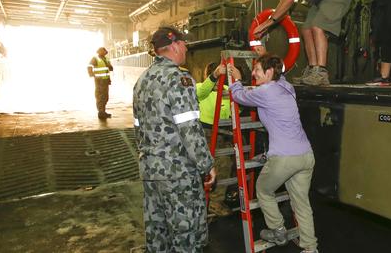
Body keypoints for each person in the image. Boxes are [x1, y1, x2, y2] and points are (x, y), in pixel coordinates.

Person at [133, 26, 216, 253]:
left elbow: (138, 128)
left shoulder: (142, 81)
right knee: (187, 232)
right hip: (177, 173)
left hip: (151, 171)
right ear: (176, 45)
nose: (186, 48)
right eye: (184, 44)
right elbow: (189, 128)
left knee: (158, 232)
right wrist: (206, 165)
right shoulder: (179, 79)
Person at [228, 54, 318, 253]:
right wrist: (264, 53)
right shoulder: (287, 87)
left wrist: (236, 80)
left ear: (269, 72)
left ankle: (278, 229)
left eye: (257, 70)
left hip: (284, 157)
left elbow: (238, 95)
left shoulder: (265, 91)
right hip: (306, 155)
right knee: (302, 203)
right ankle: (310, 248)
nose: (253, 73)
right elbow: (280, 75)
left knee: (263, 191)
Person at [254, 0, 353, 86]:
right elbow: (285, 6)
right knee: (306, 29)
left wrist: (268, 23)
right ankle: (313, 70)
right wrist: (267, 26)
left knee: (318, 26)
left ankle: (321, 72)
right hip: (321, 0)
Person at [196, 62, 232, 216]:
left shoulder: (226, 90)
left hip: (222, 133)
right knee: (202, 166)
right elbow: (201, 92)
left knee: (224, 163)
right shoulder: (199, 87)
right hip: (203, 133)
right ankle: (197, 200)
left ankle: (215, 202)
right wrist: (214, 78)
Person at [87, 47, 113, 119]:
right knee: (100, 97)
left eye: (105, 51)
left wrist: (110, 66)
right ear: (99, 52)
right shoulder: (95, 58)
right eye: (104, 51)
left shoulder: (106, 59)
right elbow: (89, 66)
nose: (105, 52)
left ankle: (103, 111)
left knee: (105, 97)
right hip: (99, 81)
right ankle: (101, 112)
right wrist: (91, 74)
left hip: (106, 81)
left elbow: (110, 68)